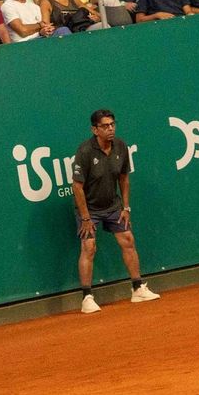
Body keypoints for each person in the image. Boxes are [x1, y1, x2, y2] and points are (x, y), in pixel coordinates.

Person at [73, 108, 157, 313]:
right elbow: (77, 187)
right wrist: (85, 218)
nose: (110, 129)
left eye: (112, 124)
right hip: (89, 209)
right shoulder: (84, 152)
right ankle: (87, 298)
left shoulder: (120, 146)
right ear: (95, 130)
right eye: (105, 126)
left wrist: (125, 207)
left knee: (127, 239)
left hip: (113, 206)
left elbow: (124, 178)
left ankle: (137, 288)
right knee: (89, 247)